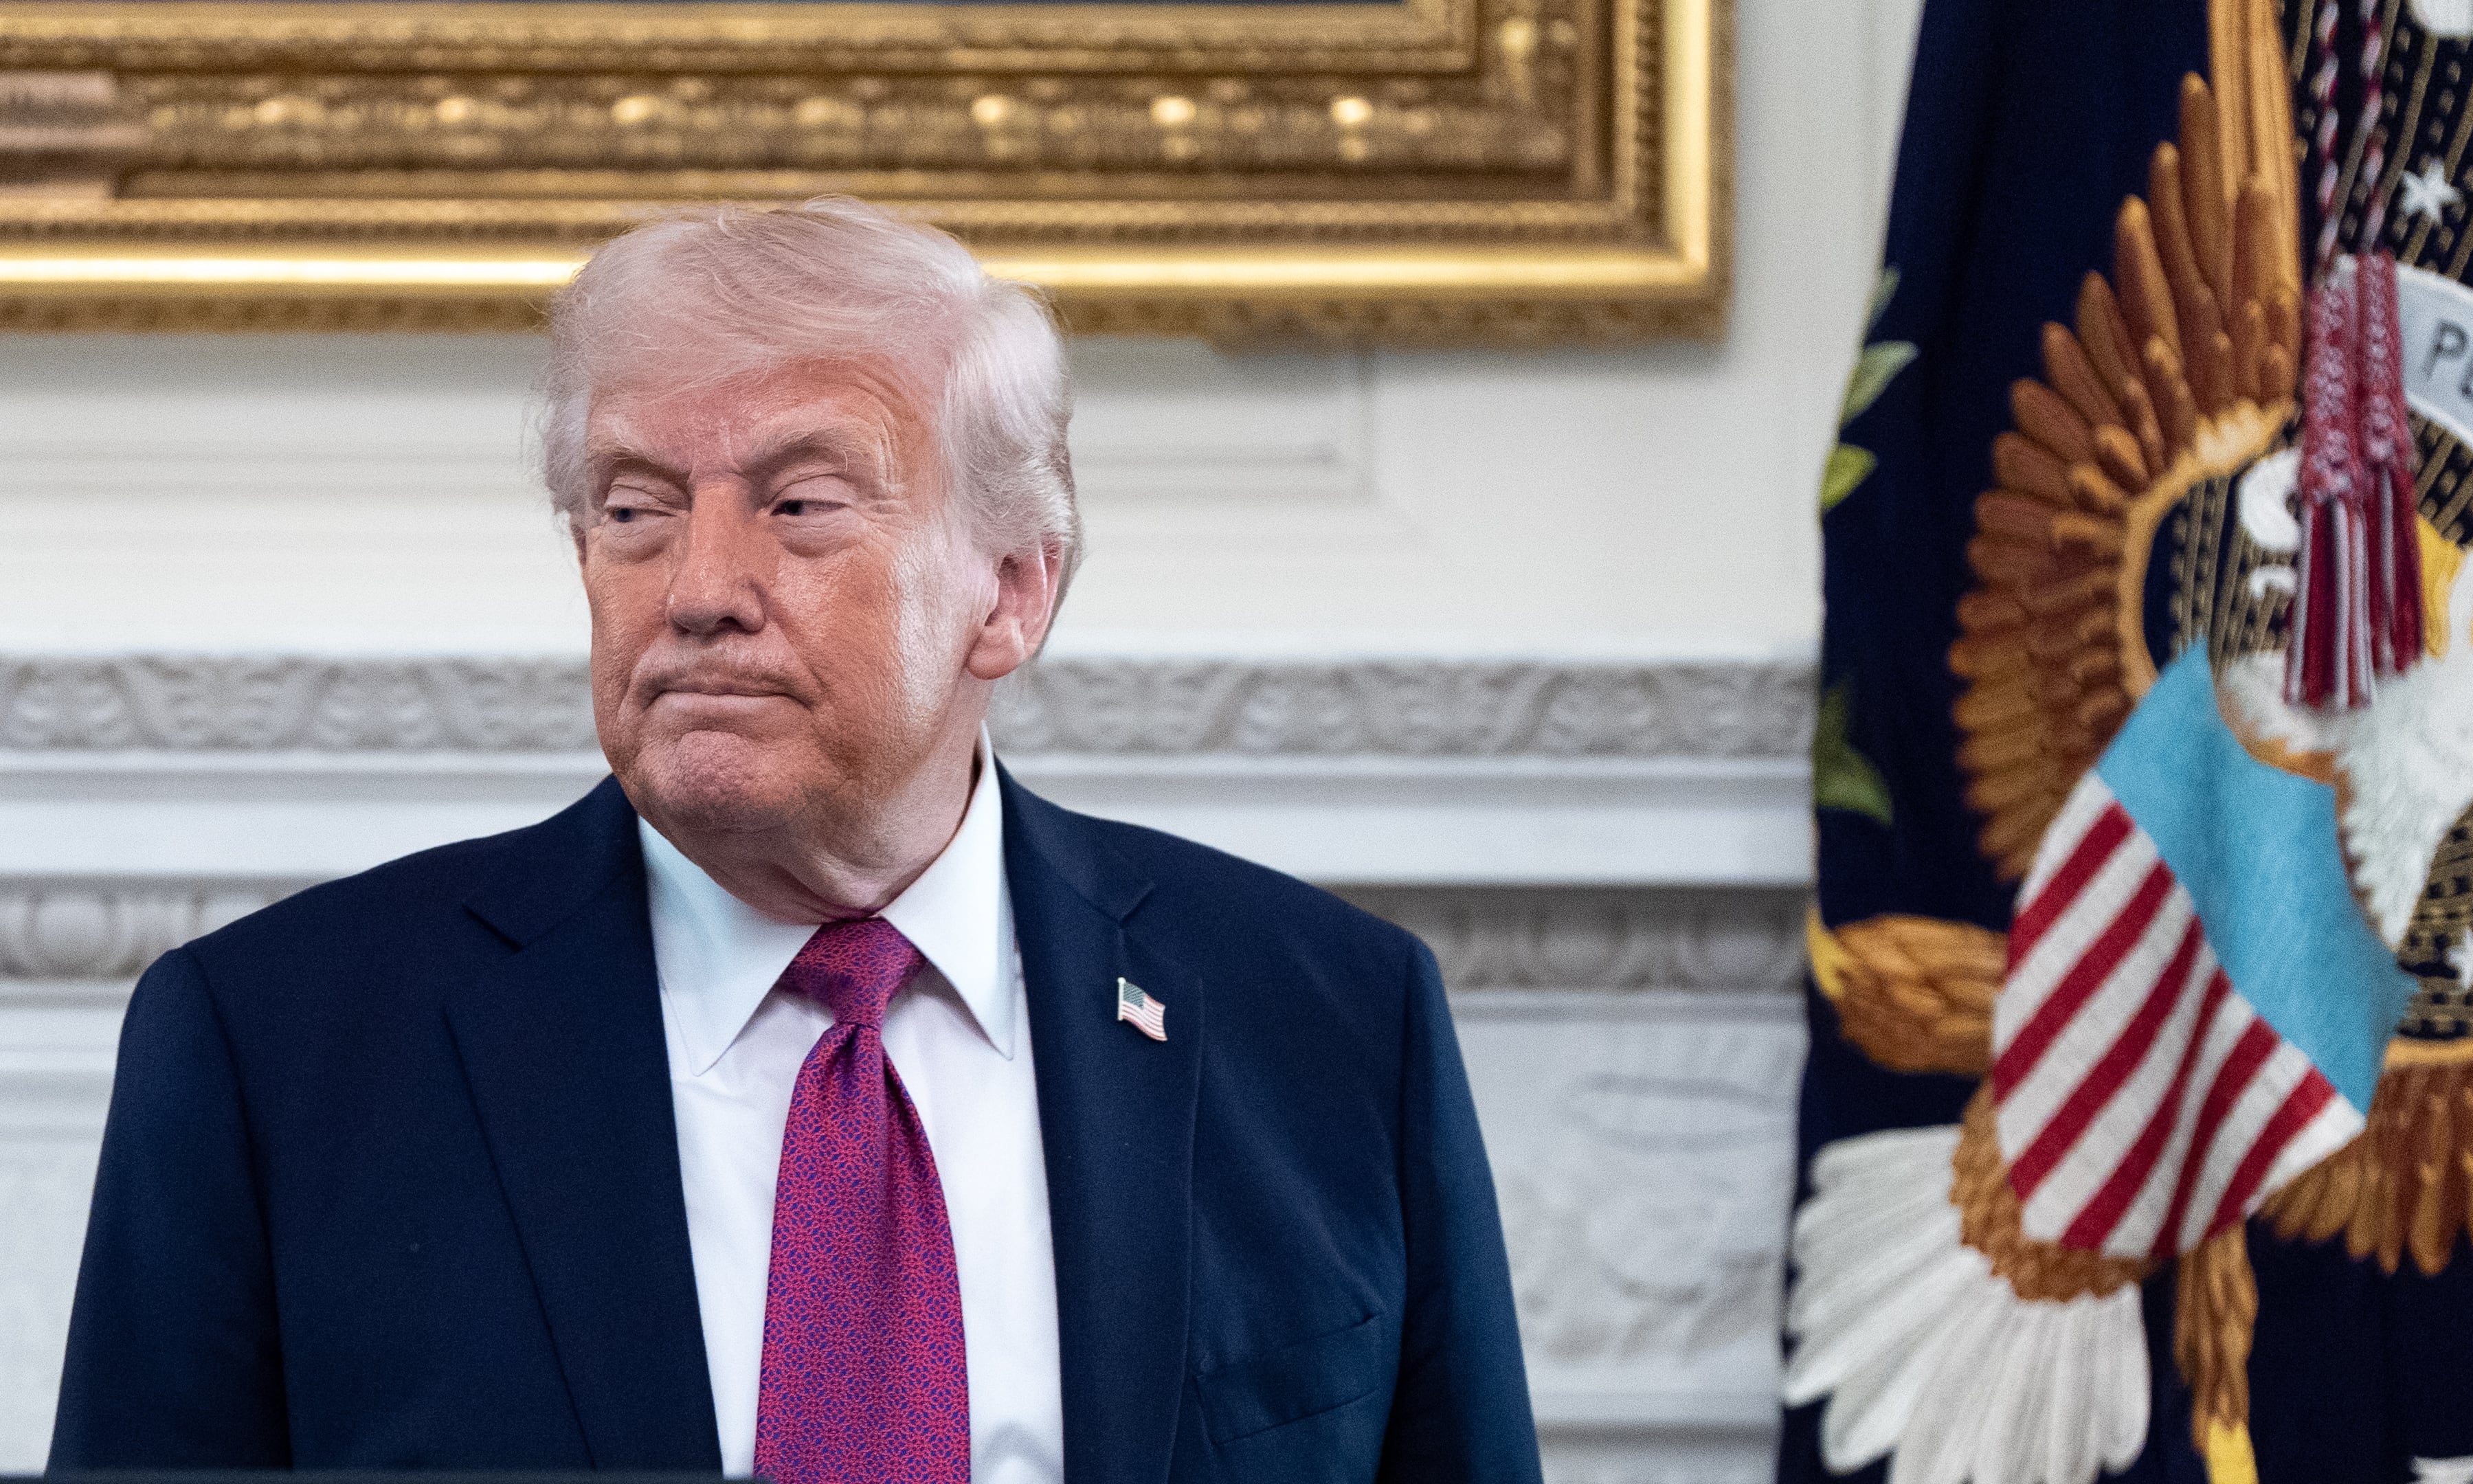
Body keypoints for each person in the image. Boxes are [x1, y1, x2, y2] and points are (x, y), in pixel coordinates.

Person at [48, 198, 1542, 1484]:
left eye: (801, 504)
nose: (698, 586)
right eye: (633, 509)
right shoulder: (276, 1046)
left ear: (1010, 590)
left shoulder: (1336, 1019)